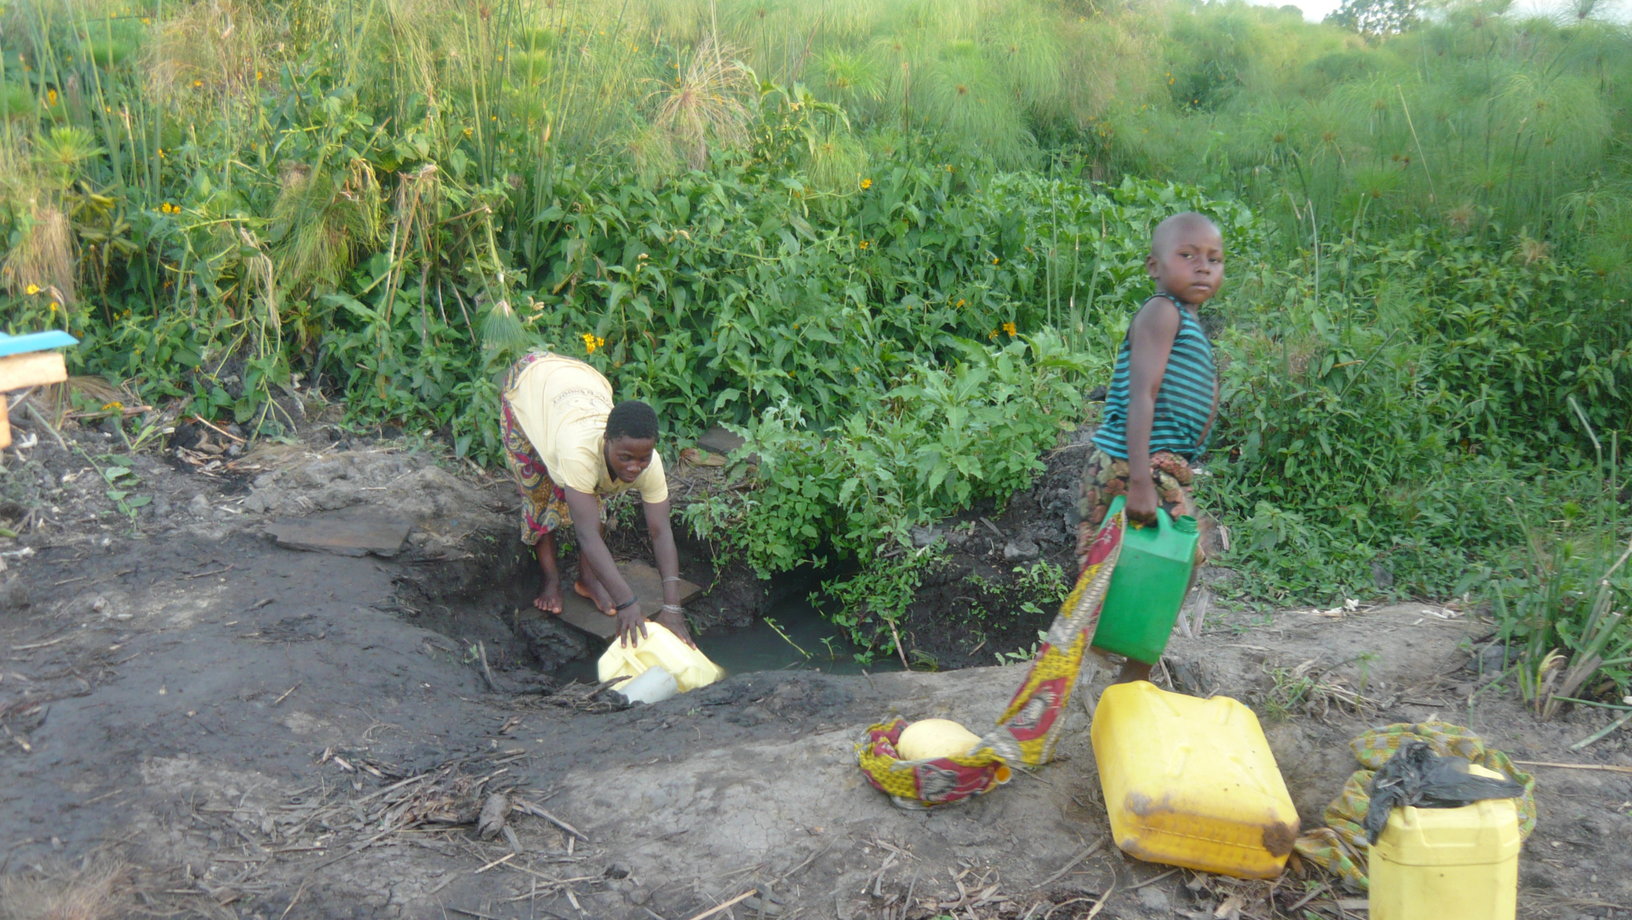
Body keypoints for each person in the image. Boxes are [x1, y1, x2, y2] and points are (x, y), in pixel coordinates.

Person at [1075, 212, 1222, 683]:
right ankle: (1115, 669)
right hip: (1131, 463)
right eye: (1188, 256)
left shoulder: (1191, 325)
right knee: (1163, 560)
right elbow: (1143, 393)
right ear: (1154, 267)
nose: (1203, 267)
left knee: (1163, 561)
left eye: (1214, 259)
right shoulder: (1162, 311)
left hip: (1163, 467)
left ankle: (1120, 663)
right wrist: (1139, 479)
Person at [499, 350, 693, 647]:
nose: (634, 467)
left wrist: (672, 607)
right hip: (532, 385)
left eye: (642, 459)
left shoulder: (648, 465)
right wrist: (627, 603)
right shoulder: (581, 454)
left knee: (593, 498)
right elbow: (586, 533)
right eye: (625, 457)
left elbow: (660, 530)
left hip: (581, 380)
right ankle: (551, 579)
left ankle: (587, 580)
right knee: (539, 494)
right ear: (607, 440)